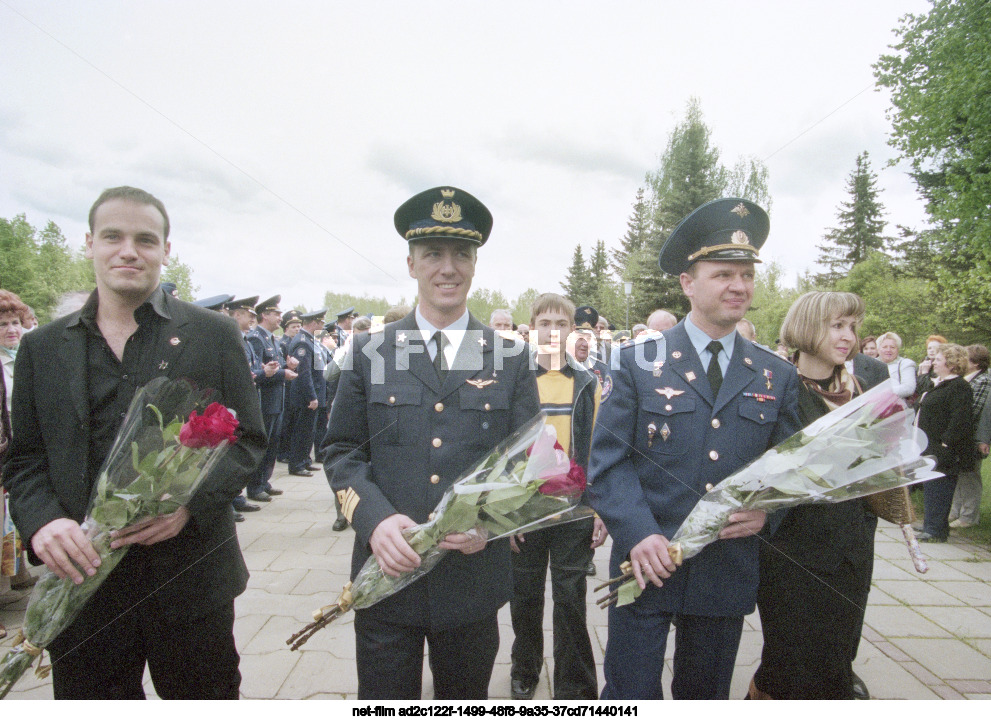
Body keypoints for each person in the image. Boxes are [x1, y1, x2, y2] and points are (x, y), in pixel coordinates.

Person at [4, 186, 266, 699]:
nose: (129, 250)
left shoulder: (212, 334)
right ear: (89, 244)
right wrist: (44, 523)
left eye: (146, 239)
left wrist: (188, 506)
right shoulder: (42, 348)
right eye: (113, 236)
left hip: (189, 580)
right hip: (81, 586)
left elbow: (249, 441)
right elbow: (26, 459)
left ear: (166, 250)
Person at [323, 186, 540, 699]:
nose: (448, 267)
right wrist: (374, 523)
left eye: (461, 254)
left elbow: (529, 462)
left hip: (471, 580)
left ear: (475, 264)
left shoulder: (510, 358)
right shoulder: (368, 351)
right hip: (385, 573)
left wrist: (489, 525)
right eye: (433, 254)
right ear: (411, 263)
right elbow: (342, 452)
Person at [588, 197, 801, 700]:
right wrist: (638, 534)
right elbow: (607, 463)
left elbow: (791, 468)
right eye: (723, 273)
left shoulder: (777, 373)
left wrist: (771, 512)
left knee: (704, 697)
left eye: (746, 274)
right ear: (688, 283)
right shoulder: (636, 363)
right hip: (644, 565)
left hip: (723, 573)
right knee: (629, 695)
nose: (739, 286)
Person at [748, 291, 875, 699]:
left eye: (852, 327)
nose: (848, 336)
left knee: (838, 653)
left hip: (852, 546)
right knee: (791, 661)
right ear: (808, 326)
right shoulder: (778, 387)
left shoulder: (860, 388)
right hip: (794, 549)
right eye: (838, 325)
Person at [509, 292, 607, 701]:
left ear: (572, 330)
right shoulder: (516, 379)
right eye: (545, 323)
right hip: (526, 508)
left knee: (570, 598)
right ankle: (525, 667)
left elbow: (599, 449)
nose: (552, 331)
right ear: (533, 328)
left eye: (561, 324)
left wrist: (599, 508)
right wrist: (504, 512)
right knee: (525, 595)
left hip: (574, 507)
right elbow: (504, 448)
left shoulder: (587, 383)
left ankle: (574, 685)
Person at [915, 343, 973, 542]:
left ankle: (935, 530)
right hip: (931, 443)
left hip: (944, 447)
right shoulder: (940, 383)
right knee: (931, 486)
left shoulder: (959, 387)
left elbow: (960, 418)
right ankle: (931, 525)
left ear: (952, 364)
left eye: (938, 360)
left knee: (940, 487)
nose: (934, 362)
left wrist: (946, 444)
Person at [247, 295, 297, 503]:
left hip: (276, 399)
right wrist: (282, 373)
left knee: (272, 443)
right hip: (265, 399)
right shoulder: (256, 338)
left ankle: (264, 481)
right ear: (264, 315)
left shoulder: (270, 339)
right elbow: (259, 372)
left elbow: (273, 368)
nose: (279, 317)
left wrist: (287, 369)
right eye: (276, 313)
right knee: (263, 442)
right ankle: (255, 486)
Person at [948, 345, 991, 528]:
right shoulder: (968, 378)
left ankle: (969, 516)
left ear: (974, 363)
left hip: (973, 436)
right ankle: (956, 512)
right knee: (960, 475)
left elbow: (975, 410)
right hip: (961, 436)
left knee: (970, 476)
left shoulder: (983, 381)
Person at [286, 309, 327, 477]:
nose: (323, 326)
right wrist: (311, 396)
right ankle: (296, 464)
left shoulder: (310, 340)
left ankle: (304, 461)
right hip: (305, 396)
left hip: (314, 392)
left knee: (309, 430)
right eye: (322, 323)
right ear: (314, 323)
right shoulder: (303, 342)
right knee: (302, 431)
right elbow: (304, 373)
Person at [876, 331, 918, 400]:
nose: (888, 350)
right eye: (884, 347)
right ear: (878, 349)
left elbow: (908, 388)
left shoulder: (906, 364)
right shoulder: (871, 364)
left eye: (892, 347)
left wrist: (882, 394)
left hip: (898, 406)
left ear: (898, 349)